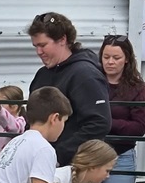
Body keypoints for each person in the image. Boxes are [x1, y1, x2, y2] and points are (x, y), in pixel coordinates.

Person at [27, 12, 111, 167]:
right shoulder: (42, 75)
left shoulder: (85, 74)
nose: (38, 52)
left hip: (72, 168)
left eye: (43, 45)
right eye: (35, 46)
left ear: (62, 40)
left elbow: (99, 123)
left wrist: (59, 156)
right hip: (40, 162)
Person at [98, 34, 145, 183]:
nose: (110, 62)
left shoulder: (138, 88)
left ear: (126, 59)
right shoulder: (91, 82)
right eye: (106, 57)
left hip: (121, 155)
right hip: (91, 154)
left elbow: (138, 128)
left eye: (116, 57)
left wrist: (105, 121)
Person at [0, 85, 26, 159]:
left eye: (0, 104)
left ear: (14, 106)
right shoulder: (2, 126)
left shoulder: (20, 122)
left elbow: (14, 128)